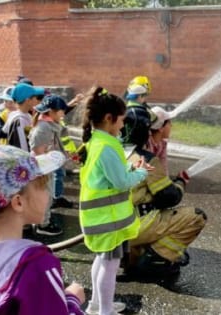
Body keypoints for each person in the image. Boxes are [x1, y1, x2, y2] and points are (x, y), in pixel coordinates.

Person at [0, 145, 85, 315]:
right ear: (18, 202)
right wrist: (72, 301)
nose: (48, 194)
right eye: (42, 187)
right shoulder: (38, 267)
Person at [80, 86, 150, 315]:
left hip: (100, 218)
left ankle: (96, 305)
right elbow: (121, 182)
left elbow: (109, 174)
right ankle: (105, 311)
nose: (122, 125)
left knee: (102, 261)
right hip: (108, 220)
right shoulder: (107, 146)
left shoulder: (97, 141)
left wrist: (130, 166)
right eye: (121, 120)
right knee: (110, 267)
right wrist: (141, 173)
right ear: (109, 118)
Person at [122, 108, 207, 276]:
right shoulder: (144, 158)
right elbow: (168, 197)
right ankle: (155, 260)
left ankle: (133, 257)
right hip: (136, 225)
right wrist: (181, 183)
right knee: (196, 217)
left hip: (114, 226)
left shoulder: (112, 153)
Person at [29, 94, 74, 236]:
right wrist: (42, 172)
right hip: (43, 169)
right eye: (61, 111)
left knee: (46, 195)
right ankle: (43, 224)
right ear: (52, 112)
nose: (63, 113)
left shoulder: (49, 125)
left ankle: (42, 220)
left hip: (48, 167)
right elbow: (39, 154)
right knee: (44, 196)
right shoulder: (43, 128)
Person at [2, 83, 44, 151]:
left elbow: (4, 130)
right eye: (34, 97)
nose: (36, 100)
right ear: (28, 100)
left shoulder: (22, 115)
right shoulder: (19, 120)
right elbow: (21, 148)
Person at [147, 106, 176, 175]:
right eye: (169, 123)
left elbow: (163, 168)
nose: (171, 125)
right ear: (161, 128)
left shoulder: (162, 144)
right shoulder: (146, 144)